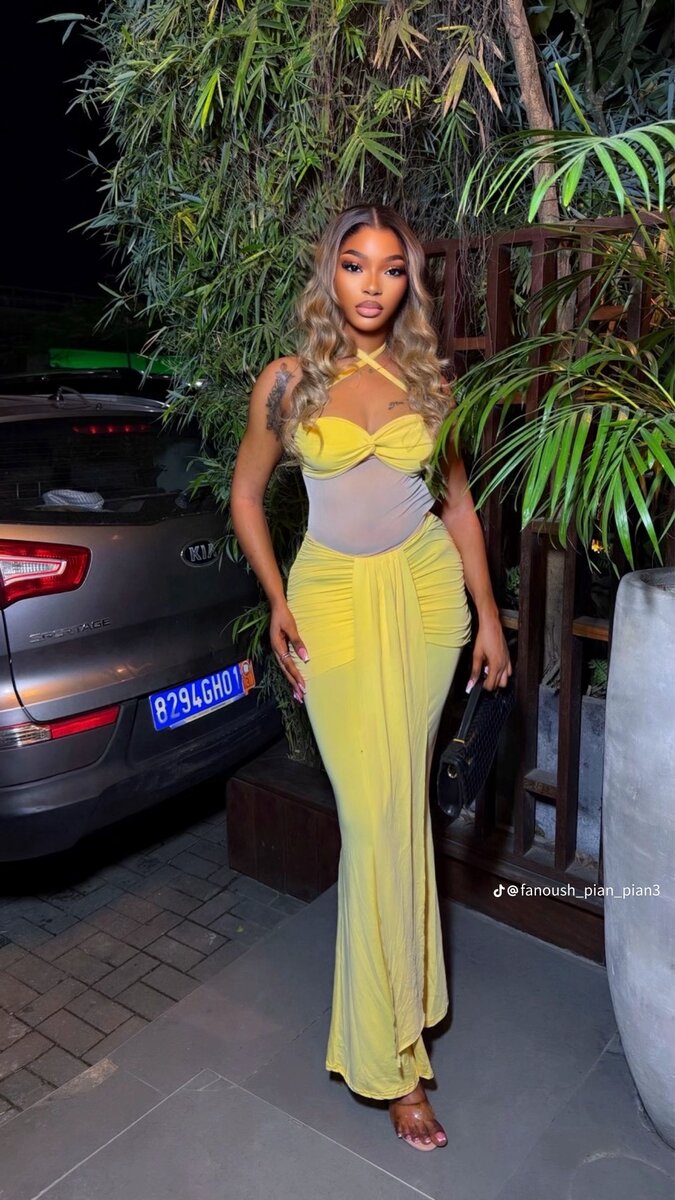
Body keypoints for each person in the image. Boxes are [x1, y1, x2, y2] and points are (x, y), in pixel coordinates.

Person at [230, 204, 512, 1151]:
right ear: (330, 271)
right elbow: (245, 494)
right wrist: (277, 598)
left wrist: (487, 616)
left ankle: (403, 1030)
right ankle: (394, 1056)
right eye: (355, 264)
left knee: (401, 814)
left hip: (427, 601)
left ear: (408, 284)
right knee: (372, 817)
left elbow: (458, 506)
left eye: (392, 270)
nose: (372, 285)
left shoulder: (429, 378)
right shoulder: (288, 381)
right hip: (334, 608)